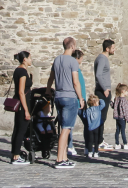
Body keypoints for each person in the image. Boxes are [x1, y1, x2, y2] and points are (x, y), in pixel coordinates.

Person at [46, 36, 85, 169]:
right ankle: (59, 159)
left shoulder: (57, 60)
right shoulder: (73, 62)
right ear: (73, 46)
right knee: (66, 128)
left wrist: (47, 91)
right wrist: (81, 98)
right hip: (69, 97)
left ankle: (64, 157)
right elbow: (76, 82)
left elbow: (51, 78)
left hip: (58, 96)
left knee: (63, 127)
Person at [10, 51, 33, 164]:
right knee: (21, 130)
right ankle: (16, 156)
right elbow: (21, 91)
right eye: (29, 58)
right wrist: (26, 110)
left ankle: (14, 153)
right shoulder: (23, 72)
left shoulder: (17, 70)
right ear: (25, 59)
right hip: (22, 103)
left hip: (18, 104)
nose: (31, 60)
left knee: (17, 129)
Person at [94, 39, 115, 151]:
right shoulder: (102, 58)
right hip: (102, 92)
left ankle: (99, 140)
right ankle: (99, 141)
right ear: (107, 48)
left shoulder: (104, 58)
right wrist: (105, 89)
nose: (114, 49)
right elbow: (98, 75)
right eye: (113, 47)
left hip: (104, 91)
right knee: (101, 117)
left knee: (102, 117)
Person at [70, 49, 88, 157]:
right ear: (77, 58)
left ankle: (87, 145)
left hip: (80, 100)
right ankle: (70, 146)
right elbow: (76, 84)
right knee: (70, 125)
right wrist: (81, 98)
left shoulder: (76, 68)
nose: (82, 60)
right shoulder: (74, 68)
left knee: (86, 123)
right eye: (81, 58)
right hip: (76, 100)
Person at [83, 94, 106, 158]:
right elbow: (103, 104)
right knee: (96, 141)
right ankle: (96, 152)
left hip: (90, 128)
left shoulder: (87, 110)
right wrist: (100, 99)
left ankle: (90, 152)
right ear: (96, 102)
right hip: (97, 127)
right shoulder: (98, 108)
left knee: (90, 141)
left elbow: (84, 116)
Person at [112, 83, 128, 149]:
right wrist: (127, 118)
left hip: (117, 117)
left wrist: (110, 102)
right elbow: (125, 110)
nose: (127, 92)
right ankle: (125, 143)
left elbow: (114, 106)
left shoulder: (117, 99)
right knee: (123, 131)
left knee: (117, 130)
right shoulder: (124, 100)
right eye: (127, 91)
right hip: (122, 118)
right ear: (123, 91)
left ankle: (117, 143)